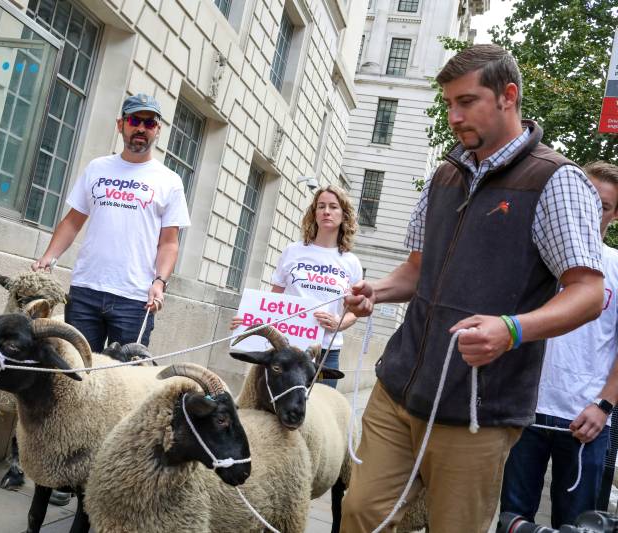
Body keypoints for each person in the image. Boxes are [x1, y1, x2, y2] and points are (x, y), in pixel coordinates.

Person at [340, 44, 605, 533]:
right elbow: (416, 270)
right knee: (360, 514)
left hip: (480, 408)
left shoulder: (557, 180)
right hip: (399, 387)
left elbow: (589, 292)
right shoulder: (444, 174)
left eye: (466, 101)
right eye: (448, 105)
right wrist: (376, 289)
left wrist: (512, 329)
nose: (453, 116)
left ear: (508, 96)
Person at [500, 161, 618, 528]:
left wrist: (604, 405)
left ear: (615, 215)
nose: (596, 210)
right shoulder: (534, 256)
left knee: (578, 525)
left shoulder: (616, 266)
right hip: (525, 410)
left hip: (587, 420)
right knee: (512, 520)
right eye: (589, 198)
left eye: (606, 206)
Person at [32, 93, 190, 349]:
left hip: (135, 298)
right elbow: (73, 221)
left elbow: (169, 243)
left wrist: (159, 283)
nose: (141, 128)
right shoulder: (97, 168)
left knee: (124, 377)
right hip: (85, 290)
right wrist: (48, 258)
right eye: (135, 120)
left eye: (149, 123)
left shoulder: (170, 181)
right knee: (74, 373)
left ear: (157, 130)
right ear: (121, 125)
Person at [231, 184, 362, 387]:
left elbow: (356, 310)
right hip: (288, 350)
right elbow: (273, 300)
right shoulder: (293, 251)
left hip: (326, 352)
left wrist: (340, 323)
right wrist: (248, 321)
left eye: (333, 207)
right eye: (321, 206)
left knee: (320, 415)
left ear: (344, 215)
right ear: (314, 213)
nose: (326, 211)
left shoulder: (351, 262)